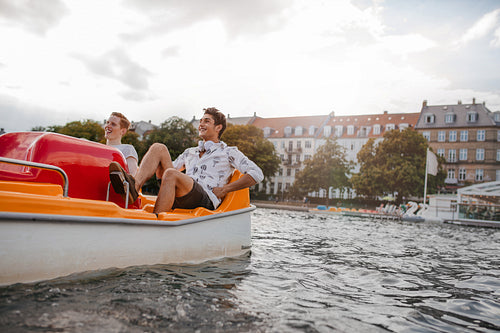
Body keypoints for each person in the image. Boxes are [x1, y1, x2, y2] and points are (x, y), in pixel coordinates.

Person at [108, 107, 264, 214]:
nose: (201, 124)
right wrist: (156, 163)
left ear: (218, 128)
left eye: (207, 121)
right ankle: (134, 187)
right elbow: (164, 176)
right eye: (201, 121)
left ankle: (155, 224)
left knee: (171, 174)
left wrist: (225, 190)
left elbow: (257, 174)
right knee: (158, 147)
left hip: (205, 197)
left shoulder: (228, 152)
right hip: (183, 191)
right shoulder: (191, 152)